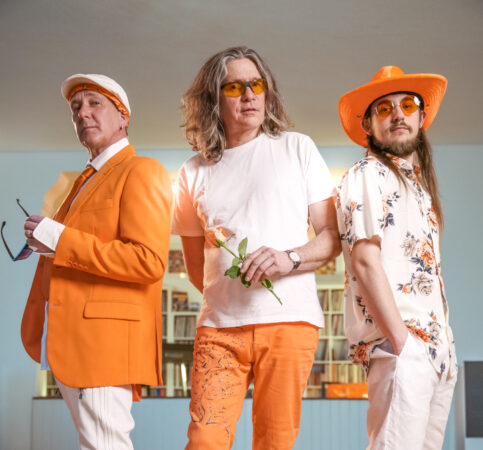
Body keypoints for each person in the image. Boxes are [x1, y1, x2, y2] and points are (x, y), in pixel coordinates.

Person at [172, 46, 341, 450]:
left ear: (267, 92)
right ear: (214, 98)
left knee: (274, 443)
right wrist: (229, 298)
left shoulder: (297, 148)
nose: (249, 95)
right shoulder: (192, 171)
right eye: (234, 87)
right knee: (205, 441)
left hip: (290, 324)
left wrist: (289, 259)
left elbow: (331, 237)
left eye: (256, 84)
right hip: (219, 330)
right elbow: (196, 270)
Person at [20, 74, 172, 449]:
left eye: (94, 103)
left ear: (123, 117)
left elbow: (148, 260)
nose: (82, 113)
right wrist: (48, 245)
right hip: (70, 340)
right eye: (76, 107)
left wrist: (59, 238)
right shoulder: (85, 180)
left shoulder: (142, 170)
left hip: (103, 343)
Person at [337, 66, 457, 449]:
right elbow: (364, 261)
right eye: (385, 109)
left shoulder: (420, 189)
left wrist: (442, 349)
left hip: (438, 353)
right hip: (404, 348)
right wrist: (401, 342)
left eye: (407, 105)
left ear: (421, 117)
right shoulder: (366, 174)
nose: (398, 115)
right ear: (368, 125)